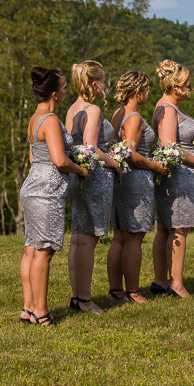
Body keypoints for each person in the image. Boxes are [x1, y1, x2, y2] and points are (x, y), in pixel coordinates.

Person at [20, 68, 89, 326]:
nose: (65, 91)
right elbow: (60, 160)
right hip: (47, 190)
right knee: (44, 252)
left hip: (32, 185)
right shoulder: (49, 119)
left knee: (31, 250)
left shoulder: (34, 119)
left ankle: (28, 308)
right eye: (63, 88)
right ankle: (41, 312)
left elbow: (33, 157)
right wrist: (80, 169)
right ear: (53, 93)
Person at [66, 60, 121, 314]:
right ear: (95, 83)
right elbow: (91, 148)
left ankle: (77, 296)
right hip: (96, 176)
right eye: (104, 82)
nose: (105, 87)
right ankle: (86, 299)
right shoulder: (93, 109)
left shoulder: (72, 109)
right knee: (89, 239)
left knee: (78, 237)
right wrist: (115, 164)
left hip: (79, 178)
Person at [108, 71, 167, 303]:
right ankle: (132, 291)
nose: (148, 93)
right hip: (136, 180)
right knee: (134, 237)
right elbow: (130, 154)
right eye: (146, 89)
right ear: (137, 91)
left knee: (120, 236)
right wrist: (155, 166)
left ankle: (115, 290)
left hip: (122, 180)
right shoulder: (133, 117)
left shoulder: (117, 114)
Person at [152, 60, 194, 298]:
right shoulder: (167, 109)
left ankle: (161, 281)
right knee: (178, 230)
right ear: (174, 87)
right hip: (178, 175)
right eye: (187, 85)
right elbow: (169, 146)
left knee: (166, 228)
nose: (190, 89)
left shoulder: (168, 106)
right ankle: (176, 284)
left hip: (178, 175)